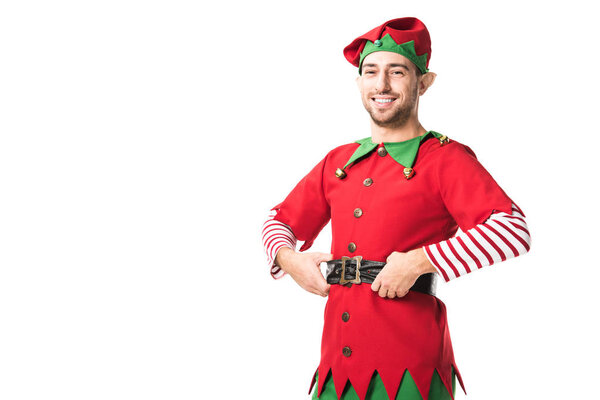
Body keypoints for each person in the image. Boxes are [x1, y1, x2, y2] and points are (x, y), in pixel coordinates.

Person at [261, 17, 531, 400]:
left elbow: (511, 230)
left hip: (410, 369)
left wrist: (421, 260)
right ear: (359, 84)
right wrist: (290, 261)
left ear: (424, 82)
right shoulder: (340, 161)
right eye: (370, 72)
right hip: (337, 365)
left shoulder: (444, 158)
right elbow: (278, 223)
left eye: (397, 72)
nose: (382, 85)